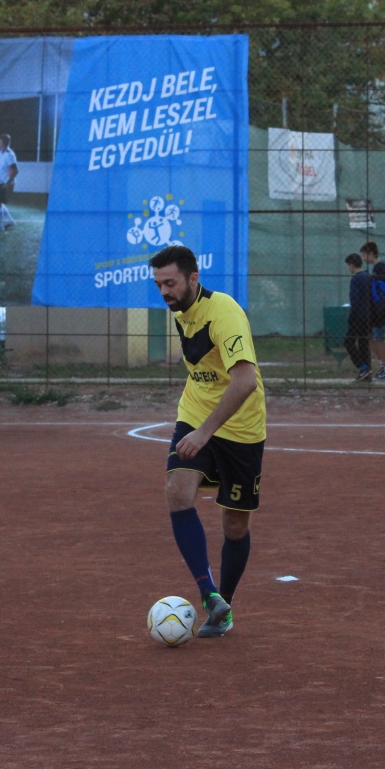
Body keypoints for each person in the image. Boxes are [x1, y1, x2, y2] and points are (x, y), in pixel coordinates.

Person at [150, 244, 266, 639]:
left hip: (241, 426)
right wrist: (196, 428)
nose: (164, 291)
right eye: (159, 284)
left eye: (171, 283)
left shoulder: (225, 313)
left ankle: (225, 607)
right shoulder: (182, 308)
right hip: (196, 413)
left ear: (193, 279)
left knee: (234, 525)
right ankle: (208, 595)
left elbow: (246, 381)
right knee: (177, 490)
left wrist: (205, 432)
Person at [359, 241, 385, 380]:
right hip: (376, 311)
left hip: (380, 311)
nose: (363, 258)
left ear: (371, 254)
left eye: (364, 255)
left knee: (379, 339)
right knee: (371, 337)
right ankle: (383, 366)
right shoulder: (377, 269)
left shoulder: (380, 268)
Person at [344, 253, 374, 381]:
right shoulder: (368, 276)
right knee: (363, 344)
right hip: (369, 315)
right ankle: (367, 373)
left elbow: (355, 301)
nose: (348, 268)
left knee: (348, 342)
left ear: (351, 264)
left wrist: (351, 317)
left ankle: (363, 367)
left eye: (348, 265)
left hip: (358, 317)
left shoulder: (355, 279)